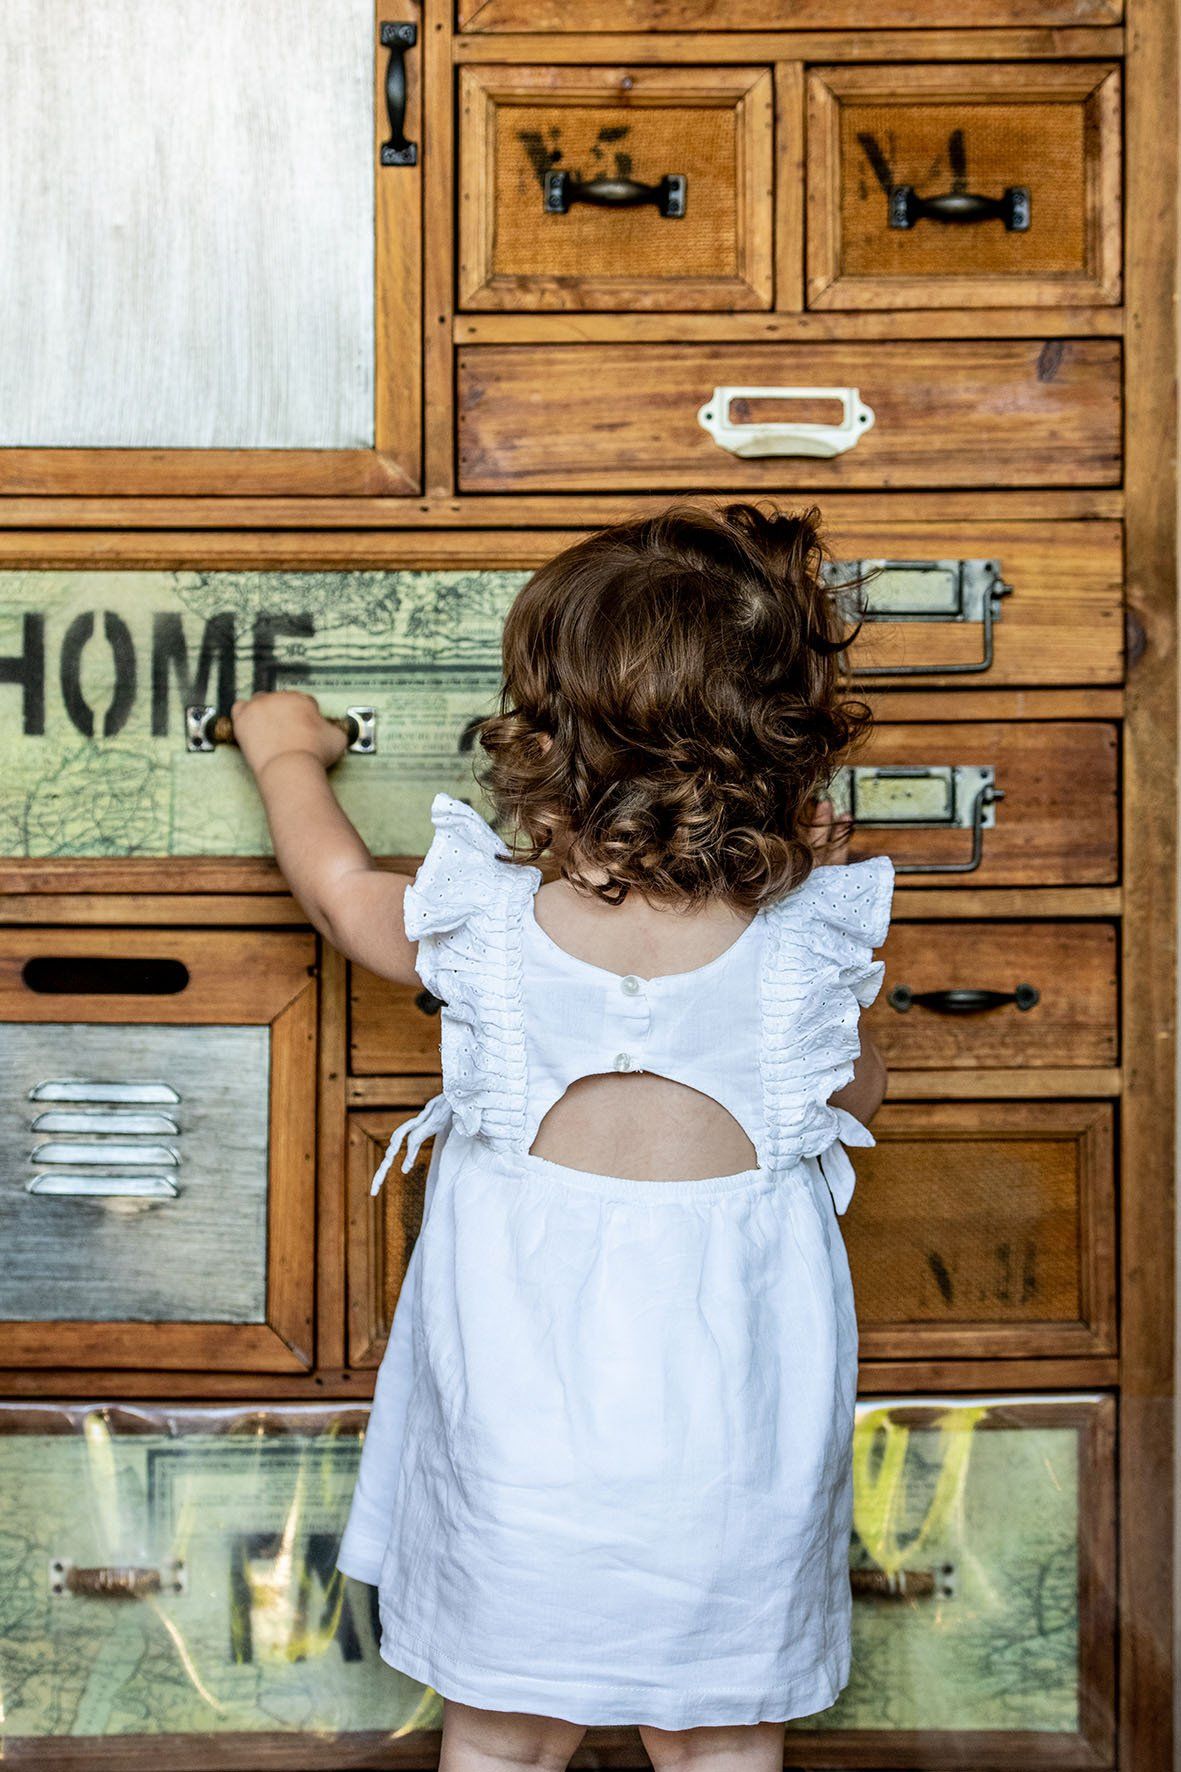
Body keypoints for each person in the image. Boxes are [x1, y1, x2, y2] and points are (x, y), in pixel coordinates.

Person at [233, 503, 892, 1772]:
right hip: (729, 1457)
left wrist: (284, 753)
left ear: (543, 733)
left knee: (503, 1735)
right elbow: (854, 1100)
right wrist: (809, 906)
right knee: (717, 1738)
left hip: (520, 1452)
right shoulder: (803, 951)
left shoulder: (482, 928)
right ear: (786, 740)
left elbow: (336, 891)